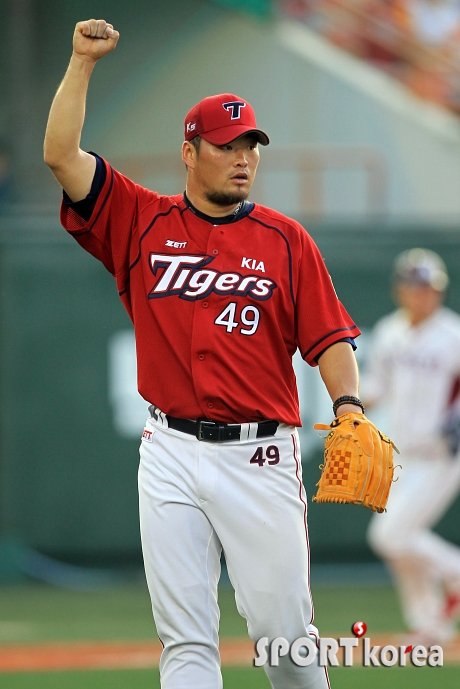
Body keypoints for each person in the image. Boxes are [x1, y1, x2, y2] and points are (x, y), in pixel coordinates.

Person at [44, 18, 377, 689]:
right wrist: (81, 61)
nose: (243, 157)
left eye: (251, 144)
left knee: (285, 642)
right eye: (227, 145)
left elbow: (330, 337)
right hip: (168, 450)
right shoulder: (140, 220)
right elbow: (60, 155)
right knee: (186, 640)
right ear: (189, 152)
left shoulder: (286, 240)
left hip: (260, 455)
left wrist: (348, 405)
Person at [363, 248, 460, 646]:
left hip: (442, 455)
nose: (424, 294)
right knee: (400, 545)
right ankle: (429, 624)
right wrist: (348, 405)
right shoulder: (390, 332)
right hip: (401, 453)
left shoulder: (453, 335)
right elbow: (376, 388)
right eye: (416, 286)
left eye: (430, 287)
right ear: (400, 289)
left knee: (390, 536)